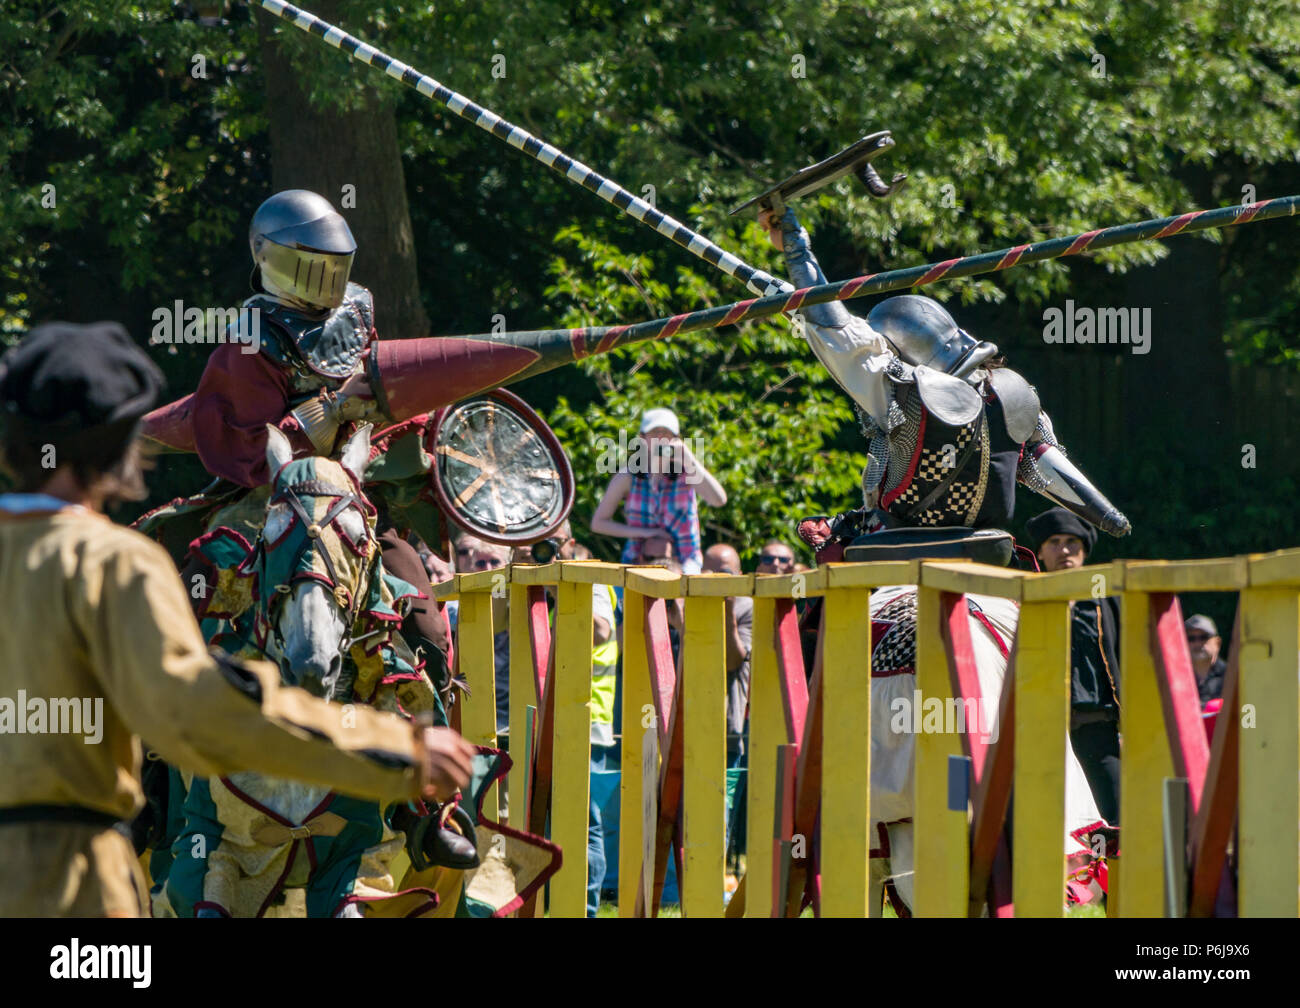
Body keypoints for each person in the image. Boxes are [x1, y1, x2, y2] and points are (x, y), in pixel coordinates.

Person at [0, 322, 474, 917]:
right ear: (116, 446)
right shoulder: (113, 564)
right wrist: (395, 748)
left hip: (331, 508)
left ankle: (425, 822)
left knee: (415, 622)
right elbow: (203, 715)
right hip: (69, 883)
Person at [1027, 507, 1121, 826]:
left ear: (1084, 551)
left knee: (1114, 818)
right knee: (1050, 821)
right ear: (1040, 551)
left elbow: (1128, 659)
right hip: (1046, 730)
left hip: (1100, 729)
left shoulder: (1107, 600)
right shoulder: (1026, 601)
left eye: (1072, 542)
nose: (1064, 550)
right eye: (1054, 542)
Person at [590, 407, 726, 575]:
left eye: (667, 434)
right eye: (655, 432)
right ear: (642, 438)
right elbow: (598, 523)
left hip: (685, 563)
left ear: (677, 440)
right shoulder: (628, 476)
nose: (660, 439)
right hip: (637, 561)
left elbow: (719, 500)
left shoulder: (688, 472)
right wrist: (647, 533)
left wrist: (689, 458)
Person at [1185, 614, 1227, 705]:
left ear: (1217, 643)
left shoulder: (1232, 676)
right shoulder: (1175, 679)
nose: (1197, 643)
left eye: (1204, 637)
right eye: (1191, 639)